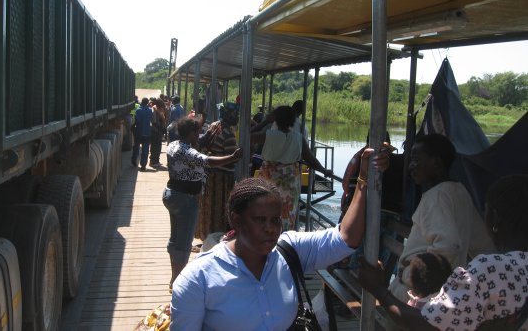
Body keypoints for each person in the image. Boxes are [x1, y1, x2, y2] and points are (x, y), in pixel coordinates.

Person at [170, 144, 391, 330]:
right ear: (236, 221)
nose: (270, 228)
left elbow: (345, 238)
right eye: (260, 220)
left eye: (275, 220)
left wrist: (363, 179)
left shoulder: (289, 251)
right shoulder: (197, 279)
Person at [358, 174, 528, 330]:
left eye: (486, 209)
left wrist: (378, 289)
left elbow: (430, 324)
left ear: (495, 218)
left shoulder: (490, 270)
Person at [386, 133, 495, 302]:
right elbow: (482, 244)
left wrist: (408, 274)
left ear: (436, 163)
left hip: (420, 293)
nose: (411, 166)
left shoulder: (436, 197)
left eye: (416, 160)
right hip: (448, 291)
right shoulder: (459, 191)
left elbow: (448, 246)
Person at [163, 117, 243, 292]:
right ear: (190, 133)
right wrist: (233, 157)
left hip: (172, 194)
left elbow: (200, 142)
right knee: (184, 242)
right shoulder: (187, 151)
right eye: (197, 132)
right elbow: (207, 161)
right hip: (185, 199)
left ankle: (173, 276)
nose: (199, 135)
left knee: (175, 238)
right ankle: (178, 281)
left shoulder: (173, 145)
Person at [251, 105, 332, 231]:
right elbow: (311, 161)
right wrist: (324, 171)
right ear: (293, 121)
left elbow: (247, 135)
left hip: (269, 179)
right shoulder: (299, 139)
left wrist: (266, 121)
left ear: (275, 120)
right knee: (287, 213)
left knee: (266, 209)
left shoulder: (268, 135)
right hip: (290, 183)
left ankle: (264, 235)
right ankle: (284, 238)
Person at [195, 102, 240, 240]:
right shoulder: (229, 135)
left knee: (208, 208)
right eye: (235, 114)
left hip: (209, 175)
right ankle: (215, 239)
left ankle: (206, 237)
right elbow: (233, 159)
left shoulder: (214, 125)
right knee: (220, 210)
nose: (236, 116)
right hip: (222, 179)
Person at [131, 97, 153, 171]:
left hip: (138, 132)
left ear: (141, 102)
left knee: (136, 147)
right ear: (147, 103)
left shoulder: (138, 110)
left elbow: (136, 120)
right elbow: (151, 119)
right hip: (147, 132)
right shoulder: (150, 110)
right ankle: (143, 164)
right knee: (145, 149)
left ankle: (134, 160)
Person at [149, 98, 166, 168]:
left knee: (158, 147)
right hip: (155, 131)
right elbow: (154, 122)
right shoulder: (154, 110)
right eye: (161, 105)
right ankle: (153, 161)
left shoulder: (159, 110)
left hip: (158, 131)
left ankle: (156, 160)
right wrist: (160, 129)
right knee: (155, 147)